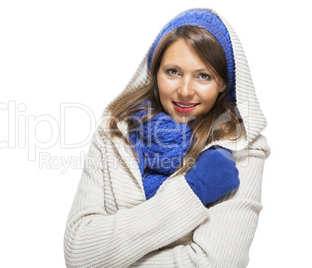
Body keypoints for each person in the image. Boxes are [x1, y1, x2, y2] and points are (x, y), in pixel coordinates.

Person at [63, 8, 270, 268]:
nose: (185, 91)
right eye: (173, 71)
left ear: (224, 84)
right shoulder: (114, 132)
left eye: (203, 76)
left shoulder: (242, 149)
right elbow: (79, 252)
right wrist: (193, 192)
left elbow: (216, 263)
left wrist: (109, 258)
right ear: (155, 71)